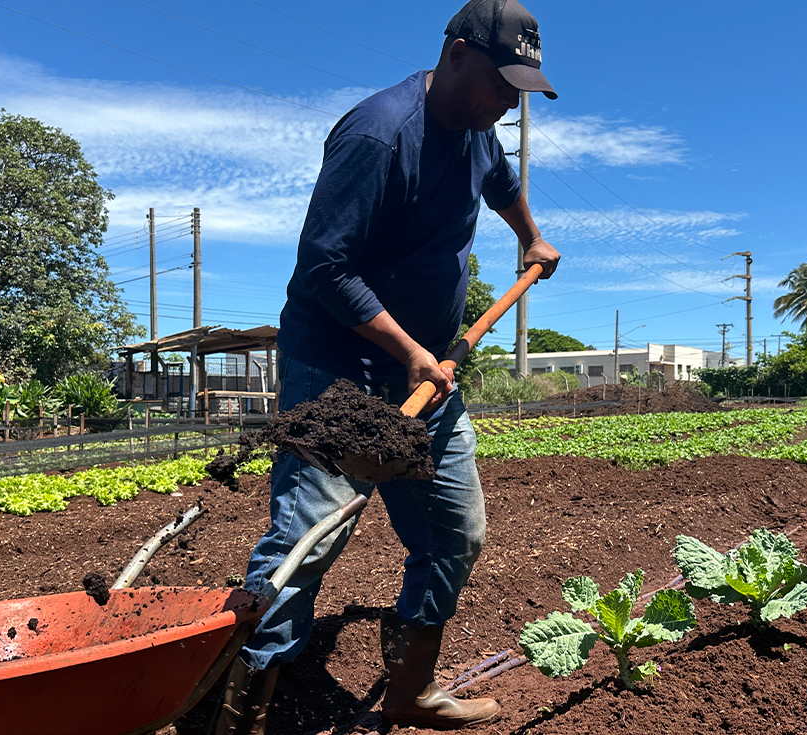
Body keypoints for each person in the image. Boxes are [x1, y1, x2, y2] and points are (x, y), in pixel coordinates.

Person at [215, 1, 560, 732]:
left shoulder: (476, 130)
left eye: (519, 90)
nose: (507, 101)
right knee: (310, 536)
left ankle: (409, 690)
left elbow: (497, 181)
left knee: (451, 534)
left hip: (427, 372)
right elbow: (324, 268)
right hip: (340, 366)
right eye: (501, 82)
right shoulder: (379, 134)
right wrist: (410, 354)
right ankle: (243, 711)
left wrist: (530, 236)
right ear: (458, 53)